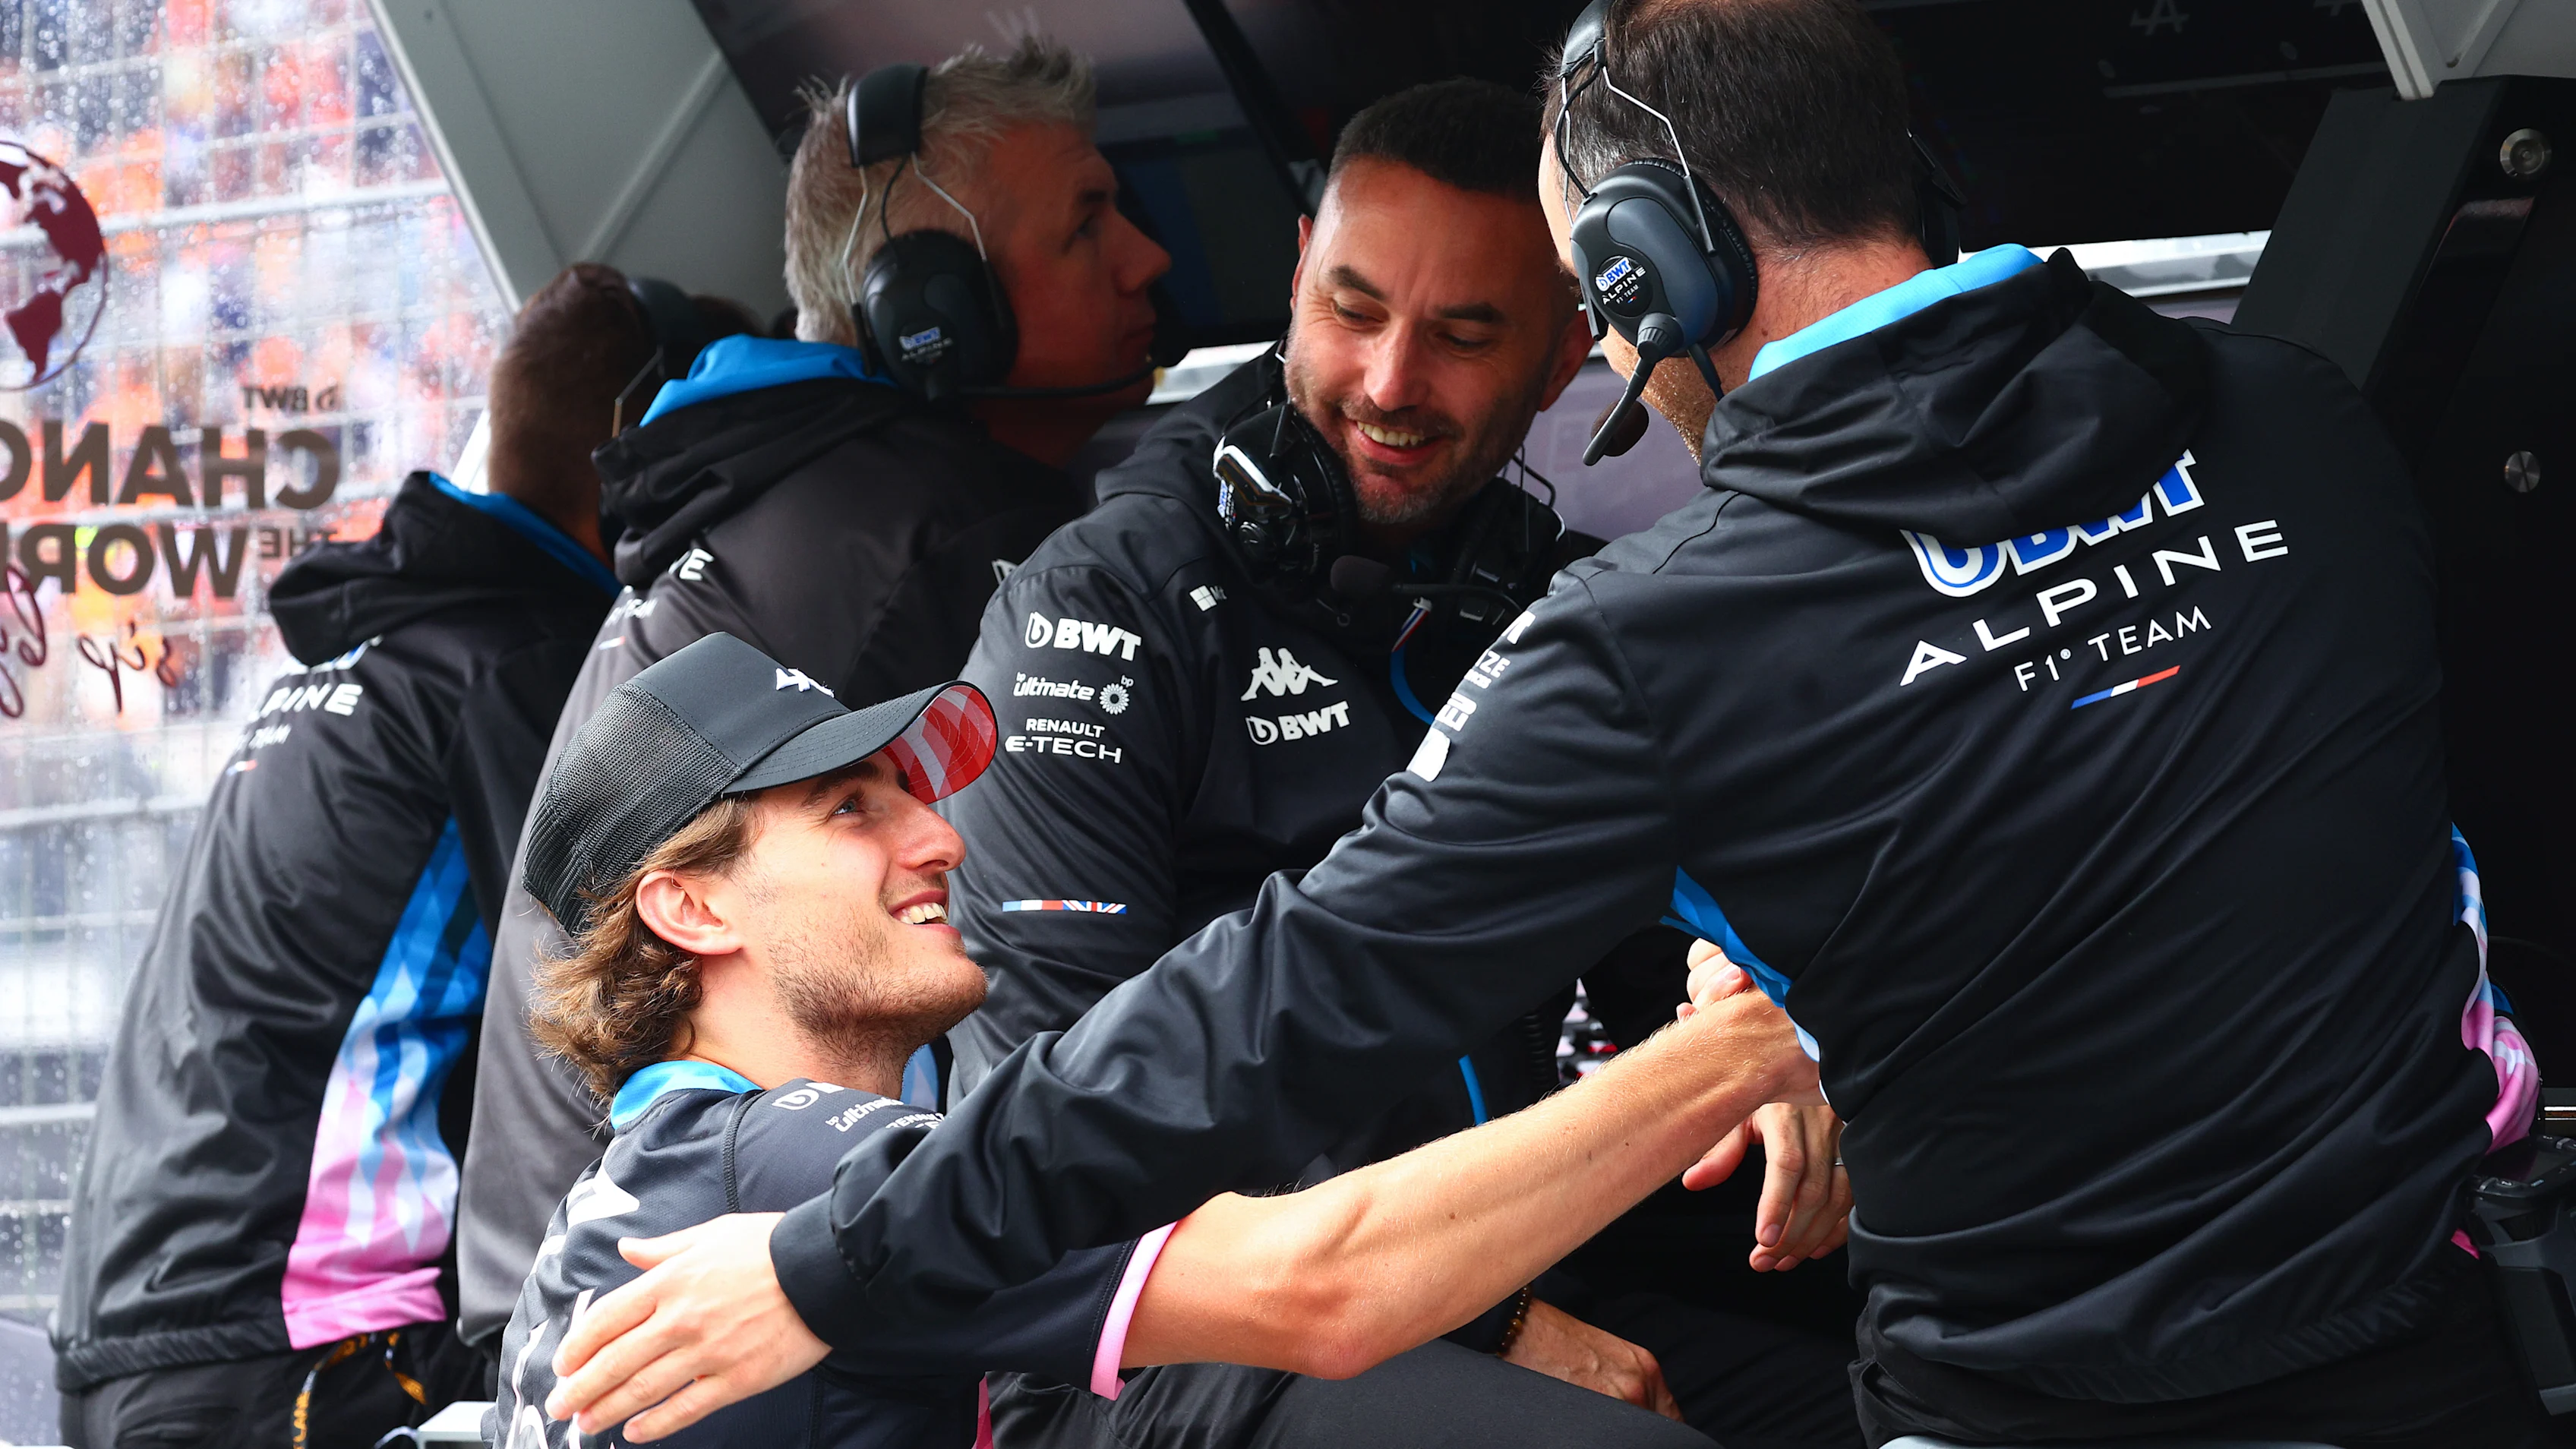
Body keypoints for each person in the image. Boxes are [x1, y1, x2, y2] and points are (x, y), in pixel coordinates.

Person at [537, 0, 2555, 1443]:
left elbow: (1263, 1014)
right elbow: (2062, 767)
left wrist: (826, 1261)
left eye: (1519, 319)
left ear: (1639, 272)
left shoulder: (1663, 638)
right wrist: (1743, 1001)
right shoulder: (2304, 419)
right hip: (2441, 1353)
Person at [942, 75, 1855, 1447]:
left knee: (1907, 1378)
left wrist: (1794, 1034)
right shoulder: (1104, 605)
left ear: (1566, 358)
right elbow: (1068, 1114)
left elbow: (1761, 882)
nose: (1388, 381)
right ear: (1299, 273)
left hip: (1511, 1271)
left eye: (1464, 335)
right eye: (1354, 311)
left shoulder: (1567, 607)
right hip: (1157, 1333)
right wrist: (1481, 1318)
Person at [495, 631, 1824, 1449]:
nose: (942, 837)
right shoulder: (793, 1167)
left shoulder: (628, 1192)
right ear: (688, 905)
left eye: (912, 793)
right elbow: (1326, 1283)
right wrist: (1739, 1049)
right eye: (852, 808)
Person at [452, 33, 1173, 1354]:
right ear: (934, 307)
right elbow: (1024, 981)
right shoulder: (930, 537)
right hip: (690, 1284)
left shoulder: (786, 491)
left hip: (560, 1267)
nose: (1149, 260)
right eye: (1087, 225)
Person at [49, 262, 750, 1447]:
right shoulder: (519, 682)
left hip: (154, 1335)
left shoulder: (378, 657)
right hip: (304, 1353)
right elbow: (632, 980)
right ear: (634, 458)